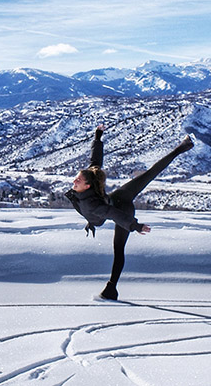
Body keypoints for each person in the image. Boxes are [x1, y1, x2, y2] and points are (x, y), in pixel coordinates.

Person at [65, 124, 194, 300]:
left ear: (87, 186)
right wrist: (97, 138)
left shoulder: (92, 205)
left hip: (121, 208)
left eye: (78, 180)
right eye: (76, 178)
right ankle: (183, 147)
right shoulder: (89, 182)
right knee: (147, 176)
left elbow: (113, 214)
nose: (74, 181)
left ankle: (111, 289)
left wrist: (134, 225)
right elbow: (95, 163)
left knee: (118, 248)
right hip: (115, 199)